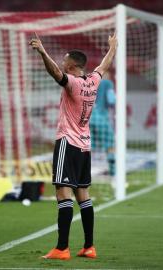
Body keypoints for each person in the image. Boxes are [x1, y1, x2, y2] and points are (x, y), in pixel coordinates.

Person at [29, 32, 117, 260]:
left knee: (62, 194)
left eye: (65, 59)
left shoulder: (74, 84)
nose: (62, 61)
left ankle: (61, 248)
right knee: (83, 195)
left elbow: (55, 73)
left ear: (73, 64)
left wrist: (42, 51)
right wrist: (113, 48)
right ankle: (89, 246)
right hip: (85, 146)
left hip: (68, 142)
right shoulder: (94, 81)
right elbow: (104, 65)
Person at [89, 72, 116, 175]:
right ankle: (113, 170)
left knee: (89, 145)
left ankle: (82, 170)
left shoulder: (91, 83)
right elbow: (111, 100)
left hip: (90, 118)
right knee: (109, 144)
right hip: (101, 118)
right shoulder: (108, 83)